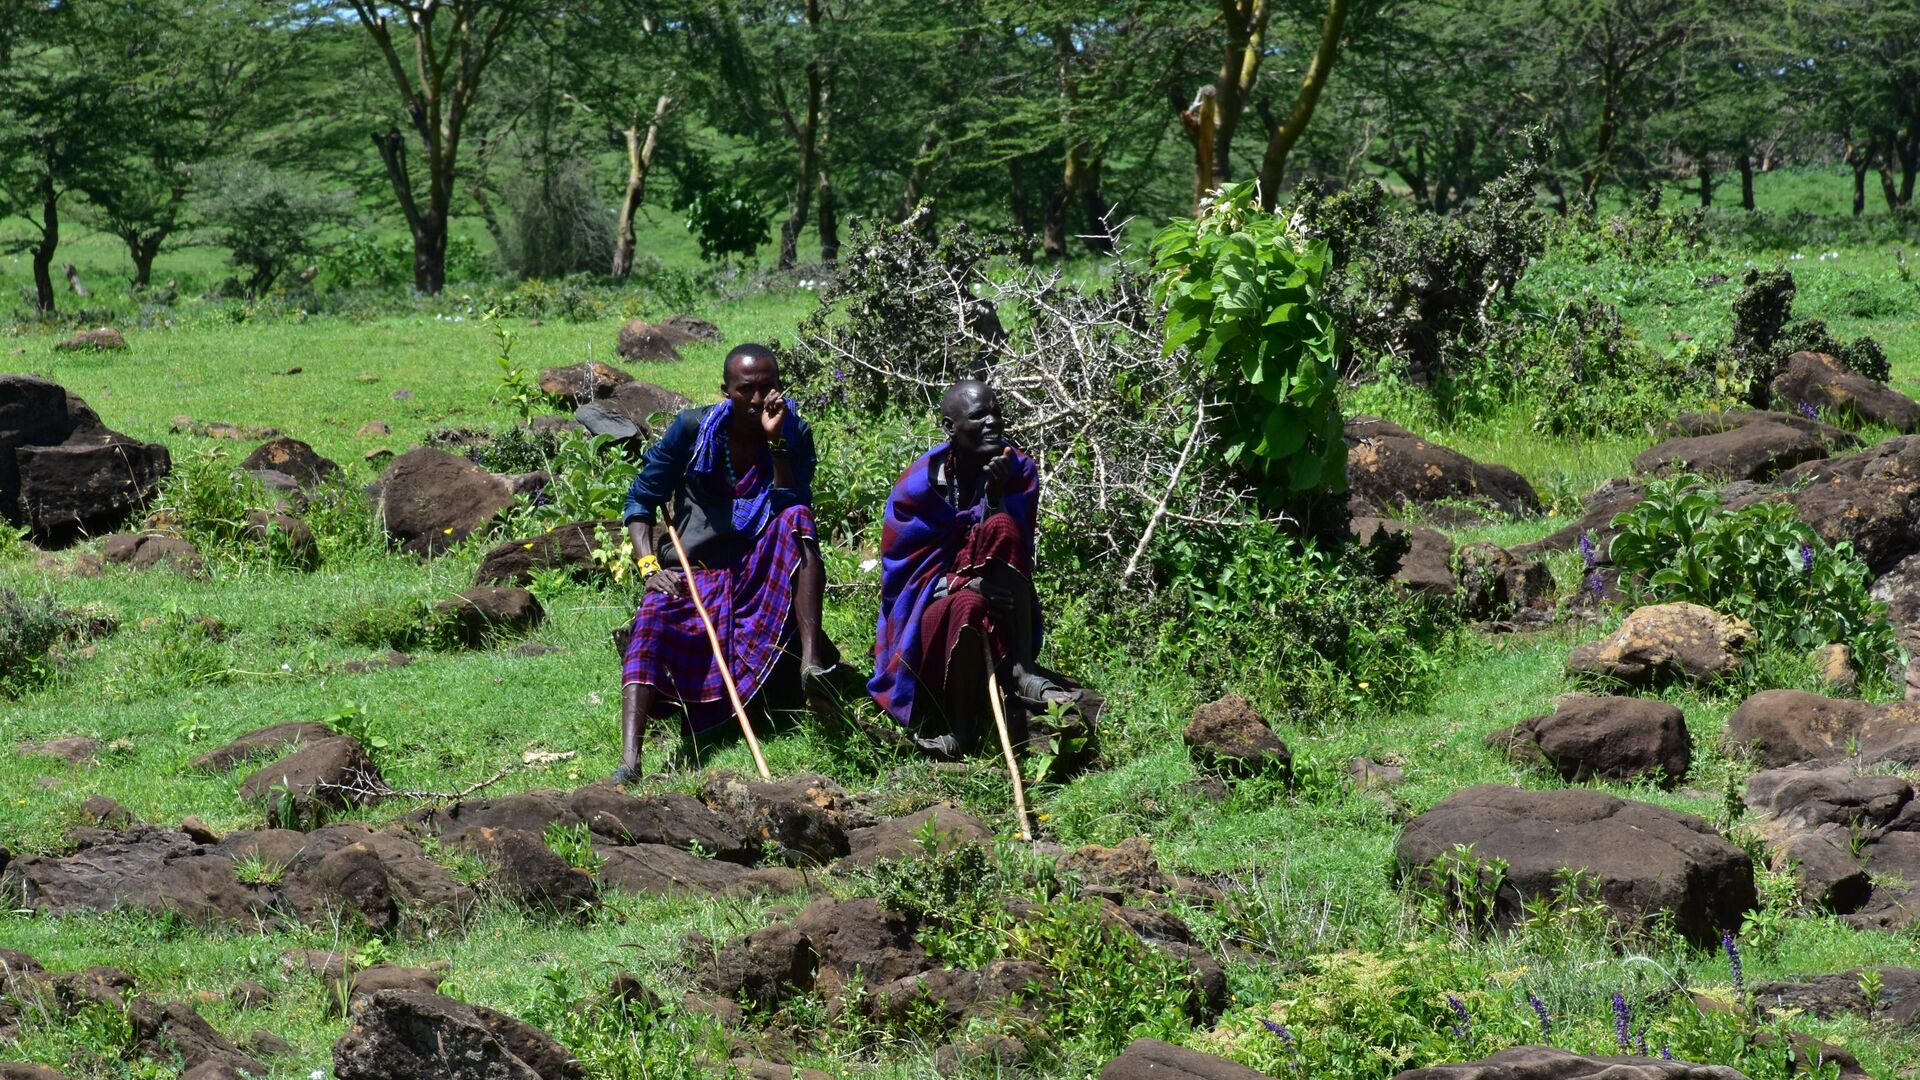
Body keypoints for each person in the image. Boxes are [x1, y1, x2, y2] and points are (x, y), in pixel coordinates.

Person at [613, 343, 840, 782]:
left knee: (797, 519)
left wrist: (776, 444)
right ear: (725, 390)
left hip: (759, 561)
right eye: (746, 390)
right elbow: (641, 500)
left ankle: (811, 664)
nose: (758, 400)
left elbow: (793, 502)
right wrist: (648, 569)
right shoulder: (692, 430)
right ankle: (630, 761)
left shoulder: (793, 431)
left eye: (767, 388)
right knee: (654, 617)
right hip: (697, 569)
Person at [869, 378, 1086, 757]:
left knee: (1002, 525)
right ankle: (961, 728)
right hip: (934, 618)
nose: (992, 423)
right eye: (978, 416)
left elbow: (1013, 549)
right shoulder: (916, 489)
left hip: (1001, 608)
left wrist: (995, 497)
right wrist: (963, 586)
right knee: (968, 608)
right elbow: (903, 581)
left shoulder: (1015, 470)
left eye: (996, 413)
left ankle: (1021, 669)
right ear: (950, 428)